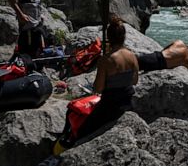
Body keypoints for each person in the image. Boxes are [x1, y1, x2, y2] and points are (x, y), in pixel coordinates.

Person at [55, 15, 139, 152]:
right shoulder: (132, 56)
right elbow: (135, 81)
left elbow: (98, 89)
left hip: (110, 106)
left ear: (109, 38)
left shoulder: (106, 60)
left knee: (82, 130)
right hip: (128, 102)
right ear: (123, 37)